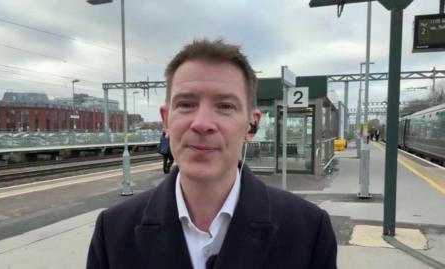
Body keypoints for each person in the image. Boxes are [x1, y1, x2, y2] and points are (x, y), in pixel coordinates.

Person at [87, 39, 337, 269]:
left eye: (225, 106)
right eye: (186, 104)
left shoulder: (309, 231)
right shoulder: (112, 232)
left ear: (252, 125)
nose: (202, 123)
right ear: (166, 120)